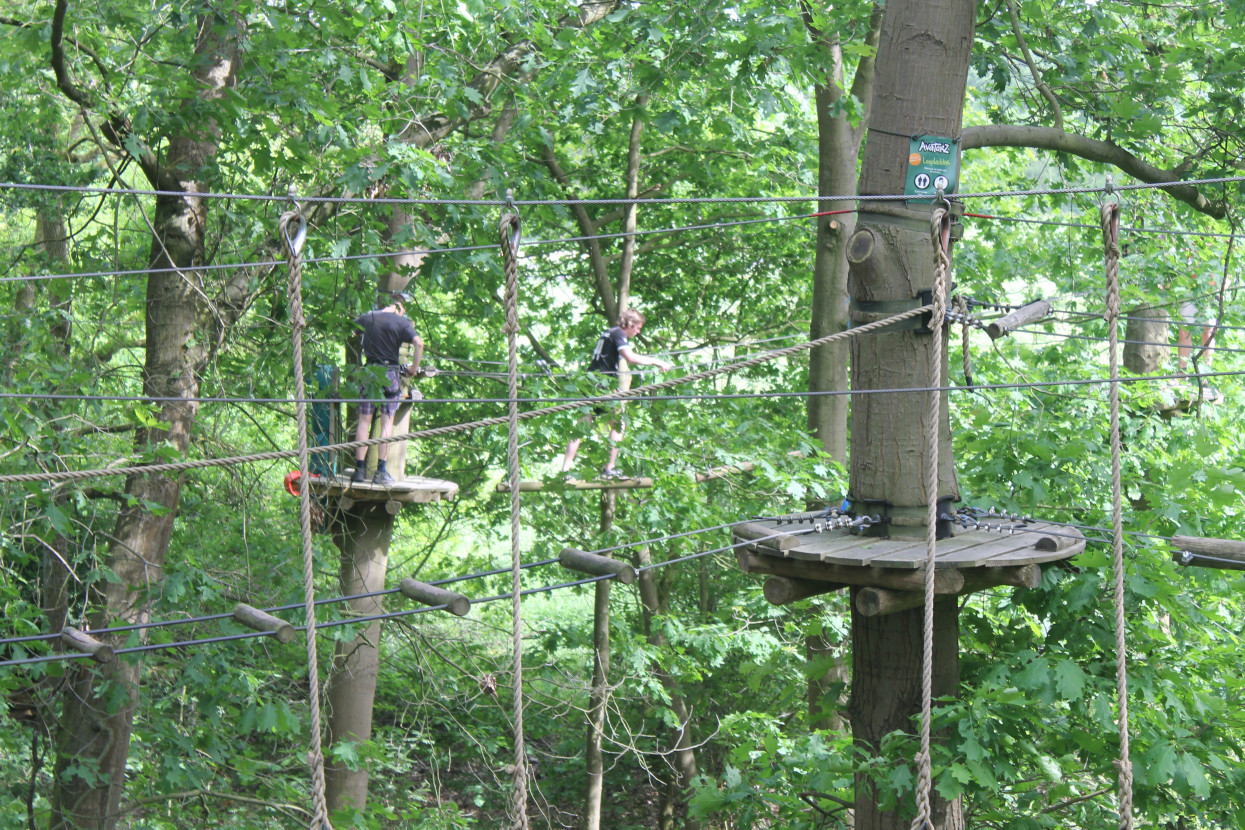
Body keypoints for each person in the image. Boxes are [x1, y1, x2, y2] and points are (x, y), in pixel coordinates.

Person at [560, 308, 674, 479]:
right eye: (637, 327)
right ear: (629, 324)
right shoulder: (618, 333)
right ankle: (609, 468)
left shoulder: (609, 333)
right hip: (600, 384)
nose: (638, 331)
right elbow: (630, 357)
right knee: (619, 424)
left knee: (581, 428)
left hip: (590, 382)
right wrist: (656, 362)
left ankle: (565, 470)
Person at [351, 291, 427, 487]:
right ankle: (381, 471)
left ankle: (359, 470)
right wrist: (413, 368)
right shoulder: (401, 323)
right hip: (390, 374)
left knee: (363, 421)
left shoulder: (368, 317)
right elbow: (419, 343)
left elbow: (352, 331)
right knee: (386, 423)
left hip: (369, 372)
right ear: (400, 307)